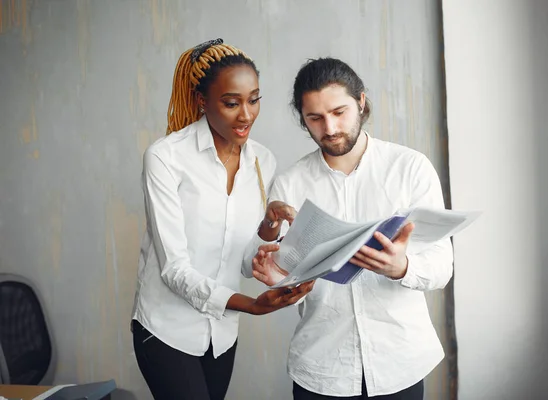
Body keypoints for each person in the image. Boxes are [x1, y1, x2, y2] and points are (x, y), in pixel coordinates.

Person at [245, 57, 454, 400]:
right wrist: (277, 274)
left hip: (399, 363)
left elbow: (442, 266)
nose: (329, 127)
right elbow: (285, 270)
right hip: (322, 368)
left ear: (360, 101)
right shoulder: (290, 183)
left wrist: (401, 267)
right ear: (303, 119)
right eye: (315, 118)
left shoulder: (410, 168)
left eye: (339, 112)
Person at [130, 38, 313, 400]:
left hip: (222, 331)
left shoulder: (263, 161)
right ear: (202, 101)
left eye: (254, 99)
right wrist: (253, 306)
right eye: (231, 103)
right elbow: (173, 269)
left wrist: (269, 228)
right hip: (167, 329)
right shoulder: (166, 159)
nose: (246, 114)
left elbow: (243, 261)